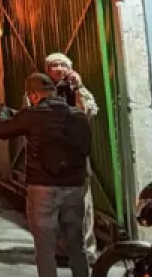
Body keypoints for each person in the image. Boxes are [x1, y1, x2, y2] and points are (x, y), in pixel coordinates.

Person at [0, 73, 93, 277]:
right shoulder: (79, 116)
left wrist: (2, 113)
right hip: (74, 187)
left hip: (42, 188)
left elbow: (1, 130)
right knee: (76, 243)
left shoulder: (32, 115)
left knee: (45, 246)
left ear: (34, 96)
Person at [43, 53, 98, 266]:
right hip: (51, 160)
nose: (58, 69)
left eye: (62, 65)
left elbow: (90, 111)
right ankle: (60, 251)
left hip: (76, 159)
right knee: (54, 207)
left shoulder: (77, 90)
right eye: (53, 66)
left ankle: (86, 252)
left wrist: (79, 88)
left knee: (82, 207)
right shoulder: (39, 92)